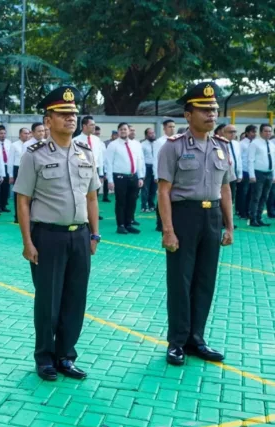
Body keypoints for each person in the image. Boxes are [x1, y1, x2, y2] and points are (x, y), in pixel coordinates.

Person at [14, 86, 101, 381]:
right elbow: (23, 200)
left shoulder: (86, 153)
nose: (70, 118)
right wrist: (27, 242)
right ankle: (45, 357)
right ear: (48, 120)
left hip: (80, 235)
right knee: (48, 300)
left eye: (73, 113)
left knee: (75, 298)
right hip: (47, 236)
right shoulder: (34, 155)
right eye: (63, 114)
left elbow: (92, 196)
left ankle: (66, 355)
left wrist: (94, 234)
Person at [157, 82, 234, 366]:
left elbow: (225, 189)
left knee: (205, 281)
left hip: (211, 217)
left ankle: (196, 339)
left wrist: (229, 226)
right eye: (204, 109)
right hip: (184, 217)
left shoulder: (223, 147)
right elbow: (164, 190)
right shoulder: (173, 147)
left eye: (213, 109)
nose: (211, 114)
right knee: (181, 281)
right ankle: (177, 342)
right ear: (188, 115)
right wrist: (168, 229)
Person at [105, 122, 145, 234]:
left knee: (132, 202)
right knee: (121, 202)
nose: (123, 131)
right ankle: (121, 225)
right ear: (118, 131)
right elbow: (109, 163)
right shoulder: (113, 145)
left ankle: (129, 223)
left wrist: (140, 177)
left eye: (125, 129)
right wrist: (110, 180)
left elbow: (139, 161)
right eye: (121, 129)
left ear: (129, 131)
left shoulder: (136, 144)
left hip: (133, 177)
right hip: (119, 177)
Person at [247, 124, 274, 227]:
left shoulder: (271, 144)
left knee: (264, 197)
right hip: (258, 173)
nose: (268, 133)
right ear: (261, 132)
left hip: (269, 173)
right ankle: (252, 219)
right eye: (266, 131)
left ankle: (259, 218)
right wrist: (252, 175)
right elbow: (250, 160)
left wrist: (274, 175)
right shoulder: (255, 144)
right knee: (256, 197)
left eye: (270, 131)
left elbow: (274, 161)